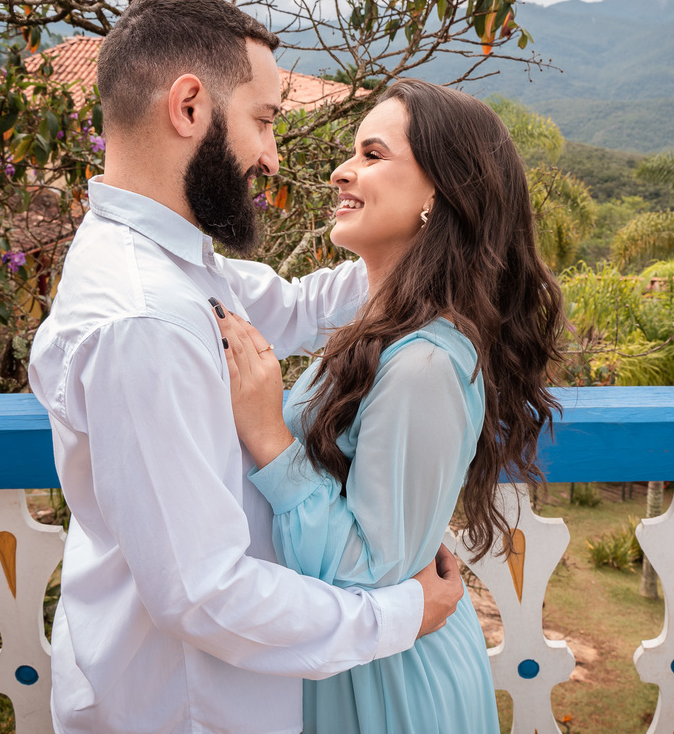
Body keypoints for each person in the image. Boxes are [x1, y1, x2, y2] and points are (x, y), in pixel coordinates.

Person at [27, 0, 464, 734]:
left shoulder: (172, 259)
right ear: (190, 106)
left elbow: (294, 307)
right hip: (188, 705)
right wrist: (400, 612)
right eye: (262, 120)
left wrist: (423, 249)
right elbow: (204, 593)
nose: (271, 154)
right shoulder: (147, 320)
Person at [215, 78, 566, 733]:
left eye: (372, 155)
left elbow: (368, 573)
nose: (342, 172)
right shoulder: (383, 322)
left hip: (392, 690)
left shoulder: (425, 365)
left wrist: (269, 436)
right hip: (355, 665)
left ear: (439, 191)